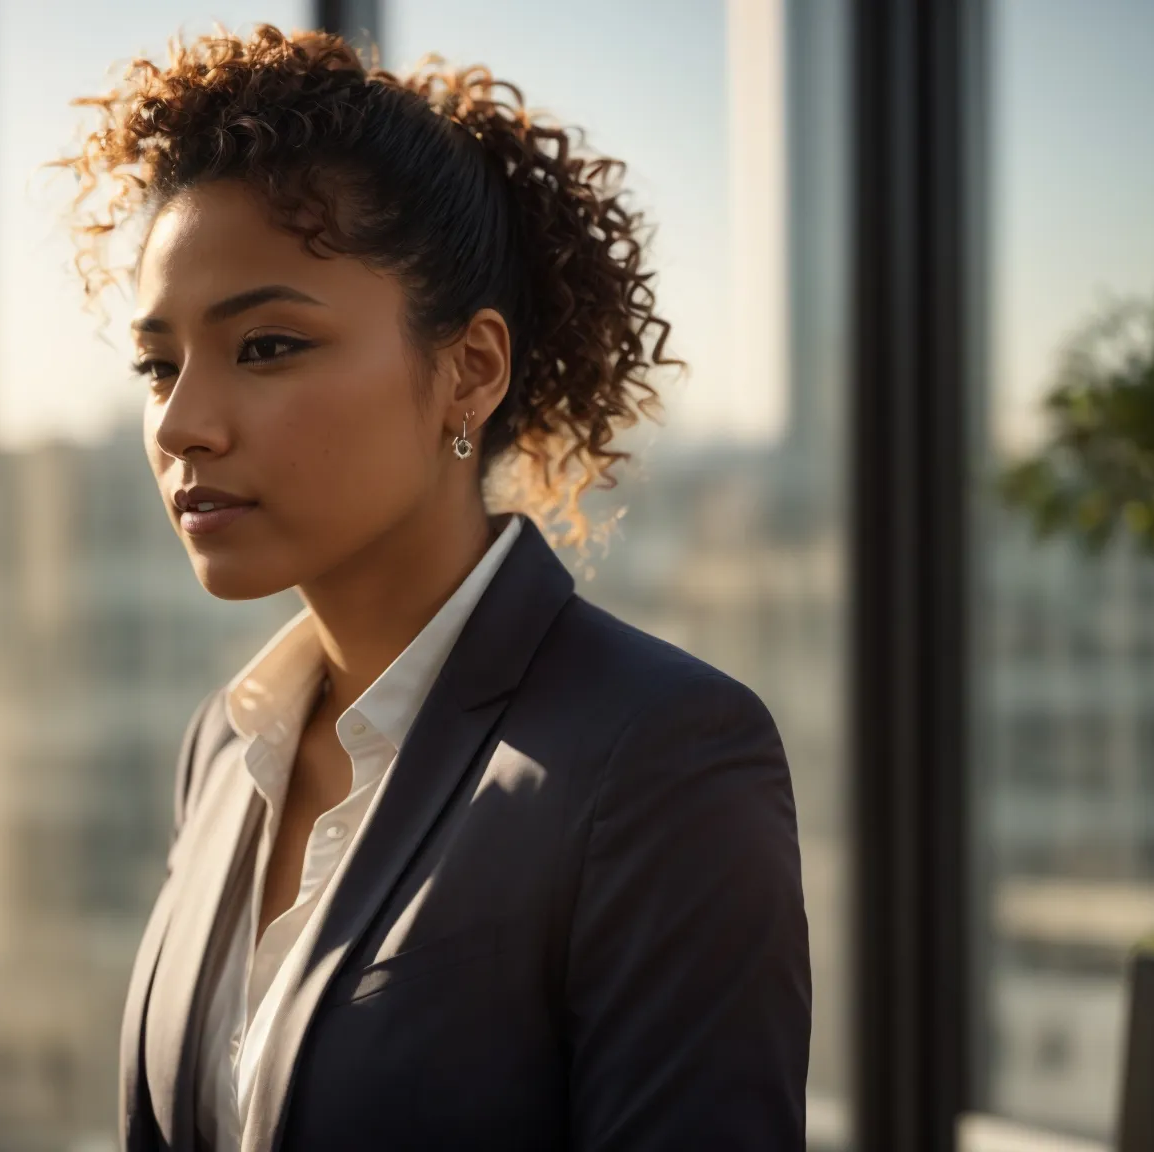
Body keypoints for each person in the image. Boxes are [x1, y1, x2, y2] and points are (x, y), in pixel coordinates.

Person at [51, 23, 810, 1152]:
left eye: (263, 346)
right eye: (158, 363)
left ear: (469, 369)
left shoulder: (661, 759)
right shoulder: (226, 748)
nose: (180, 422)